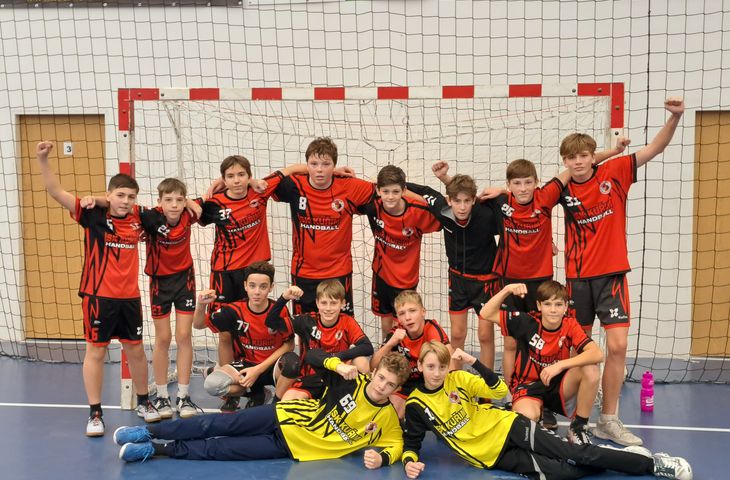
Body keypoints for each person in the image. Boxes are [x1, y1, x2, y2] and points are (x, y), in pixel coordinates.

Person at [558, 97, 685, 446]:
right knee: (578, 352)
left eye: (585, 155)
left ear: (593, 156)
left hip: (611, 276)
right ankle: (573, 416)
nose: (578, 162)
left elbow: (655, 149)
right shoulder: (563, 186)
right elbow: (529, 195)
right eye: (571, 158)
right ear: (565, 161)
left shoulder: (615, 173)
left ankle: (608, 419)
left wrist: (674, 118)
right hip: (577, 279)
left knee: (617, 346)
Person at [402, 341, 692, 480]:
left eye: (441, 366)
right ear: (420, 366)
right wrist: (409, 461)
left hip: (507, 427)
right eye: (431, 366)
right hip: (489, 456)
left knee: (575, 454)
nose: (437, 373)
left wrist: (473, 362)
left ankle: (652, 464)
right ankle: (615, 455)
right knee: (564, 474)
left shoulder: (458, 379)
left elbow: (500, 392)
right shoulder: (416, 405)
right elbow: (411, 443)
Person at [35, 141, 160, 436]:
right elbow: (55, 191)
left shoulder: (139, 218)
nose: (125, 201)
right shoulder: (92, 215)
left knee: (136, 350)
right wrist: (43, 159)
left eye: (131, 196)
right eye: (120, 195)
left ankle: (144, 402)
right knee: (96, 352)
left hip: (130, 298)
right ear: (109, 194)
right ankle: (95, 413)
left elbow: (168, 208)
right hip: (98, 297)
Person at [113, 351, 411, 467]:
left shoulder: (386, 418)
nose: (382, 386)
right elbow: (312, 356)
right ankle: (149, 431)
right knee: (215, 425)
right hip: (281, 415)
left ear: (397, 389)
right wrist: (338, 365)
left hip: (288, 447)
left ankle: (156, 449)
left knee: (221, 450)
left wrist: (383, 458)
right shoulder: (352, 380)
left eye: (390, 385)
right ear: (374, 373)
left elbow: (398, 444)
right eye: (381, 378)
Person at [198, 155, 296, 367]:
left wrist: (335, 171)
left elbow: (290, 169)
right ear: (224, 179)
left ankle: (256, 373)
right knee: (225, 332)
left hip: (253, 273)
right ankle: (228, 381)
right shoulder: (215, 203)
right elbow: (191, 211)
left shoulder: (260, 191)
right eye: (230, 176)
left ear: (249, 176)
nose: (236, 180)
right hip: (224, 273)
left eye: (241, 175)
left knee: (252, 326)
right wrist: (211, 189)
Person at [480, 281, 603, 445]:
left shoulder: (569, 324)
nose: (553, 310)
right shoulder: (526, 321)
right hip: (528, 387)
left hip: (558, 385)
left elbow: (597, 354)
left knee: (591, 369)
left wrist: (560, 365)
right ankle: (537, 415)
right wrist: (507, 289)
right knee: (525, 420)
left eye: (558, 304)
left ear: (566, 307)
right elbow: (486, 313)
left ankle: (578, 428)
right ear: (539, 306)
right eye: (547, 304)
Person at [273, 137, 375, 315]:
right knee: (304, 326)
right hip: (304, 272)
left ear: (334, 165)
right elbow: (262, 186)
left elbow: (389, 189)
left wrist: (428, 196)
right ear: (307, 165)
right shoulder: (294, 185)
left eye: (326, 164)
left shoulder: (350, 186)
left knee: (341, 326)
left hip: (338, 272)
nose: (319, 170)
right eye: (314, 164)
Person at [407, 171, 500, 368]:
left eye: (467, 201)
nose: (462, 207)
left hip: (485, 281)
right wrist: (388, 184)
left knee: (485, 335)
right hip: (457, 280)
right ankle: (456, 380)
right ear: (449, 200)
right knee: (457, 334)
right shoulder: (442, 210)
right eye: (457, 201)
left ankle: (487, 384)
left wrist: (503, 190)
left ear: (474, 200)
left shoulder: (486, 215)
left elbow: (516, 215)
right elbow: (424, 191)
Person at [192, 261, 295, 412]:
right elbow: (198, 325)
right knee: (212, 385)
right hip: (246, 365)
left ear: (271, 287)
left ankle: (274, 407)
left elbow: (290, 345)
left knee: (293, 364)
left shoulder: (279, 311)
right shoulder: (234, 310)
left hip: (272, 366)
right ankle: (254, 393)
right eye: (252, 286)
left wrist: (257, 370)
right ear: (245, 285)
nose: (257, 292)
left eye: (263, 287)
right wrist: (201, 305)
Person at [142, 178, 203, 419]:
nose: (174, 205)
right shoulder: (150, 218)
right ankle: (161, 395)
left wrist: (192, 202)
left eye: (179, 199)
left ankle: (184, 396)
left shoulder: (189, 214)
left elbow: (210, 197)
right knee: (164, 338)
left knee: (184, 335)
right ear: (160, 202)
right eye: (168, 200)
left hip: (185, 280)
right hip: (160, 283)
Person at [358, 165, 440, 338]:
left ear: (404, 191)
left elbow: (446, 212)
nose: (390, 196)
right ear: (378, 191)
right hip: (381, 274)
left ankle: (404, 355)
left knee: (402, 327)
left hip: (406, 280)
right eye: (385, 191)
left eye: (395, 191)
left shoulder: (419, 212)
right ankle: (387, 354)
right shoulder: (372, 207)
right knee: (386, 326)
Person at [266, 279, 373, 400]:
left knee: (361, 362)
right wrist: (284, 297)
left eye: (333, 303)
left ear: (342, 304)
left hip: (338, 375)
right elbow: (271, 322)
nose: (328, 308)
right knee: (288, 400)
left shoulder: (347, 321)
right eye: (324, 303)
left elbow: (367, 347)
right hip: (311, 377)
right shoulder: (306, 320)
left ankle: (361, 400)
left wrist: (335, 357)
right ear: (317, 303)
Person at [370, 290, 451, 417]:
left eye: (412, 311)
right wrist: (390, 343)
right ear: (398, 317)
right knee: (391, 415)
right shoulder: (397, 333)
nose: (408, 317)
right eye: (402, 313)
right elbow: (373, 367)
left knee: (435, 415)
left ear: (423, 311)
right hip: (405, 384)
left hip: (429, 382)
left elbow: (450, 366)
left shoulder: (432, 331)